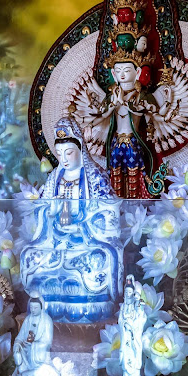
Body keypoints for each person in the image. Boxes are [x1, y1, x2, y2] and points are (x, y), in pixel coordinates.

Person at [20, 116, 122, 323]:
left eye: (69, 153)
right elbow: (41, 209)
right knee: (33, 256)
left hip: (86, 239)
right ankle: (46, 300)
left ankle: (87, 302)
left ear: (80, 150)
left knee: (94, 260)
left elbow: (109, 211)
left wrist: (83, 225)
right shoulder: (54, 178)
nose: (64, 159)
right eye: (59, 154)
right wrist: (51, 213)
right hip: (55, 238)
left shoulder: (95, 176)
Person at [13, 297, 58, 376]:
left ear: (41, 307)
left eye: (36, 307)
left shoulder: (47, 320)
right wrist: (17, 345)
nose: (33, 310)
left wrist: (33, 344)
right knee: (20, 362)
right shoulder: (28, 319)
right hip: (26, 352)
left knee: (42, 370)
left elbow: (48, 342)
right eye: (31, 307)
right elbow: (20, 337)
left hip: (39, 356)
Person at [118, 275, 147, 376]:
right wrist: (124, 324)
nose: (127, 294)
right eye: (126, 292)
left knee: (134, 361)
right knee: (126, 361)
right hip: (126, 337)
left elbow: (141, 318)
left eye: (129, 292)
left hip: (134, 337)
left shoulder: (136, 306)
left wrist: (132, 326)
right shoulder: (123, 307)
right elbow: (120, 320)